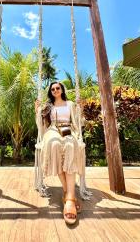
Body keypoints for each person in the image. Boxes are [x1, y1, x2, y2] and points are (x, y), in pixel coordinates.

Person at [35, 81, 86, 225]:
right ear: (50, 92)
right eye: (52, 89)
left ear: (62, 89)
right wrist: (37, 110)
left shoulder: (70, 104)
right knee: (55, 145)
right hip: (52, 130)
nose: (55, 90)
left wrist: (80, 109)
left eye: (58, 88)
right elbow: (41, 123)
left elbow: (78, 122)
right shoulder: (49, 106)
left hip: (68, 129)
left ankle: (68, 196)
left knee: (70, 146)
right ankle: (70, 194)